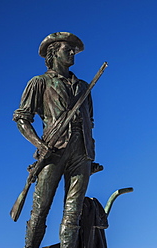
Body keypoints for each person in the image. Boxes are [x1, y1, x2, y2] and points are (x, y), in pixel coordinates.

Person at [13, 32, 95, 248]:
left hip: (82, 153)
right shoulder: (39, 82)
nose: (72, 52)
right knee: (40, 211)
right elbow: (22, 118)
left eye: (73, 49)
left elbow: (90, 121)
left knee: (73, 213)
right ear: (53, 53)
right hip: (53, 151)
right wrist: (40, 145)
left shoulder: (84, 87)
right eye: (66, 49)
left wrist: (89, 154)